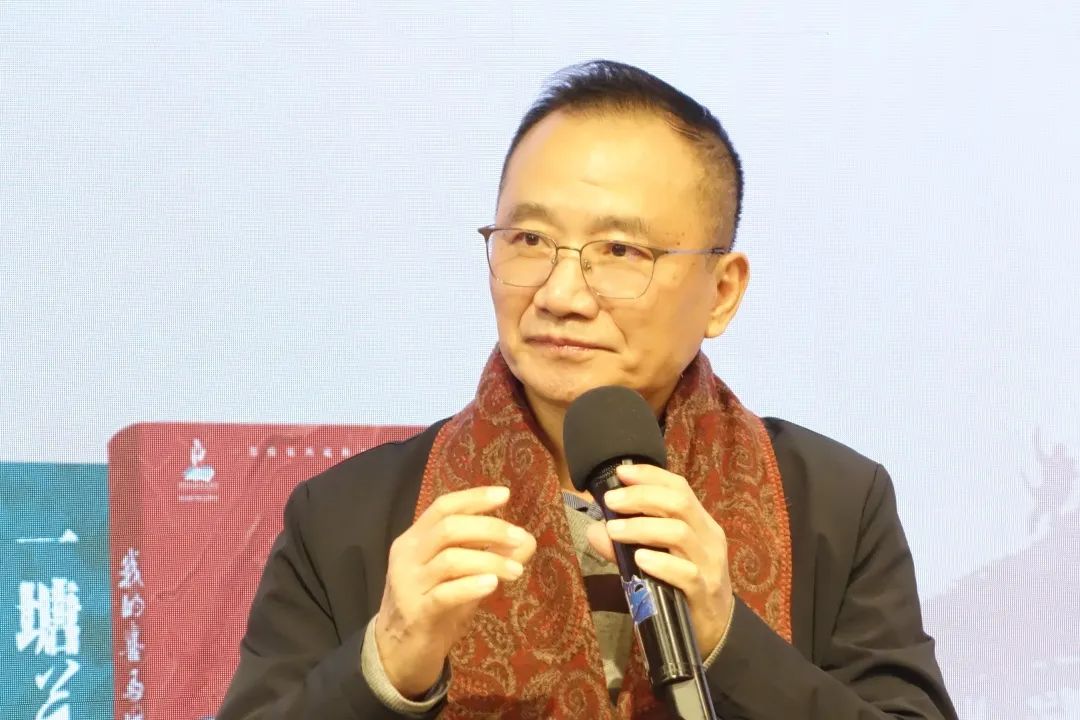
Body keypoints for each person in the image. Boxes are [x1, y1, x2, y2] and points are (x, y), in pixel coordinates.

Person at [217, 60, 957, 719]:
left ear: (722, 292)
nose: (560, 294)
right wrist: (385, 667)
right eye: (529, 240)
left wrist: (730, 640)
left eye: (620, 250)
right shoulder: (346, 519)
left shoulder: (833, 505)